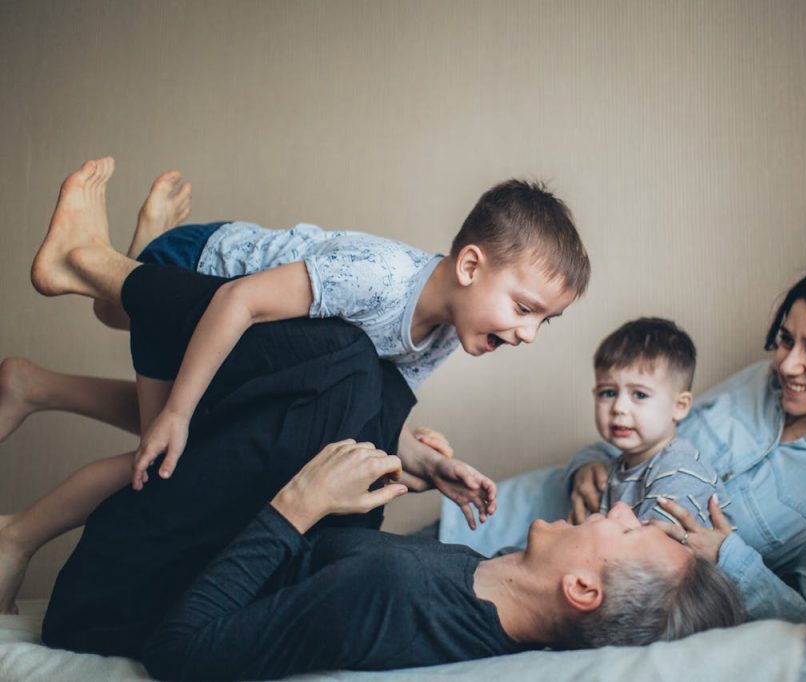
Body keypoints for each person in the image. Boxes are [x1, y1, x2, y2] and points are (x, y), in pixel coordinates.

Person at [4, 157, 573, 612]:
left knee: (155, 369)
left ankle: (37, 382)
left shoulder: (446, 333)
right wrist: (174, 413)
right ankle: (17, 535)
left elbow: (370, 411)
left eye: (543, 320)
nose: (528, 333)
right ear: (470, 268)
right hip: (205, 271)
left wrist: (424, 464)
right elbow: (237, 301)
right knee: (164, 456)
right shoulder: (380, 278)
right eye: (524, 308)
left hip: (240, 333)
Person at [440, 264, 806, 634]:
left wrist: (733, 560)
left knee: (418, 605)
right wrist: (585, 466)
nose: (788, 364)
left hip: (567, 588)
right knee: (395, 557)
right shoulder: (755, 384)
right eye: (786, 339)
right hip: (517, 511)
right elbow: (649, 429)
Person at [139, 440, 746, 680]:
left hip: (143, 586)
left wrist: (296, 506)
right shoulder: (494, 585)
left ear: (584, 590)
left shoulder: (399, 595)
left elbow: (178, 652)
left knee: (344, 361)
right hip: (213, 538)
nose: (620, 509)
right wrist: (410, 475)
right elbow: (318, 577)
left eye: (630, 530)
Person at [585, 317, 724, 524]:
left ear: (680, 406)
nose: (619, 408)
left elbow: (652, 554)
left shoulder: (679, 472)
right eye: (608, 393)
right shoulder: (617, 467)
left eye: (639, 395)